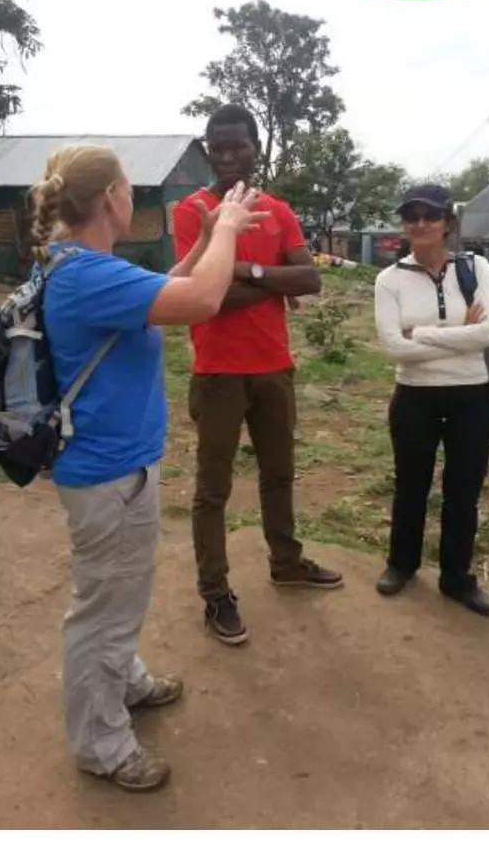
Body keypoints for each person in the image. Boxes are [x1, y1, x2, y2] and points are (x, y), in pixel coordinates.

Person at [33, 144, 258, 792]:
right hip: (106, 472)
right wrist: (233, 234)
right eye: (131, 187)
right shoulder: (84, 276)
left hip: (118, 465)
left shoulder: (81, 266)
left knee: (119, 598)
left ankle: (123, 681)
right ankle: (100, 743)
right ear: (110, 197)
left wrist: (211, 236)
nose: (135, 197)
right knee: (100, 608)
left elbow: (175, 285)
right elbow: (205, 298)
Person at [170, 104, 339, 648]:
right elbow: (203, 297)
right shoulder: (192, 212)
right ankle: (215, 592)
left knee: (279, 475)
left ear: (255, 146)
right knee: (212, 491)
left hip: (274, 367)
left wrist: (244, 271)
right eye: (216, 147)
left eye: (236, 146)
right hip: (217, 372)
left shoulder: (278, 210)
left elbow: (310, 278)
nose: (226, 156)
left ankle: (286, 563)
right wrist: (270, 283)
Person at [372, 184, 489, 617]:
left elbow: (486, 334)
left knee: (463, 492)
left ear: (448, 222)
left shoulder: (476, 267)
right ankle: (402, 565)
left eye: (430, 215)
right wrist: (455, 337)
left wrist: (423, 335)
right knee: (410, 486)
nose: (420, 224)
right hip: (415, 398)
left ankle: (456, 579)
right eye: (411, 215)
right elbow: (394, 347)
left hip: (474, 398)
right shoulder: (389, 280)